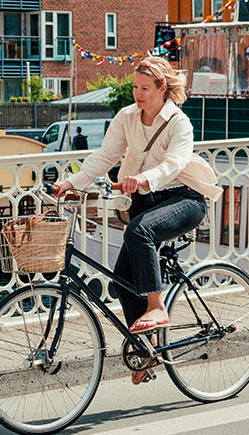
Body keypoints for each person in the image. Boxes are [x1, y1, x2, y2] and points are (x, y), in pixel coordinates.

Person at [52, 55, 219, 382]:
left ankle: (157, 306)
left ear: (162, 89)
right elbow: (105, 156)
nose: (137, 94)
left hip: (183, 198)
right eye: (134, 87)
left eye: (145, 88)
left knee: (139, 232)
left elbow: (174, 164)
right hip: (144, 201)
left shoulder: (178, 122)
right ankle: (147, 350)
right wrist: (71, 183)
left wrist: (143, 179)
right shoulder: (127, 117)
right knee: (121, 280)